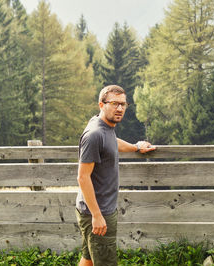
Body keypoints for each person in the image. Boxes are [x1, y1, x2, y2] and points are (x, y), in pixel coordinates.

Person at [75, 85, 155, 266]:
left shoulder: (104, 127)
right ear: (101, 105)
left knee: (88, 259)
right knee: (105, 262)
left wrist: (136, 147)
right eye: (114, 103)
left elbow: (112, 142)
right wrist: (97, 215)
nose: (119, 108)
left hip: (97, 208)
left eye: (123, 104)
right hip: (97, 211)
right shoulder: (94, 134)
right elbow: (82, 177)